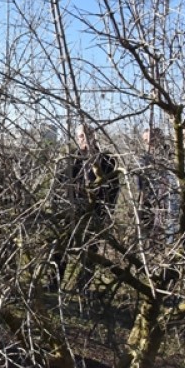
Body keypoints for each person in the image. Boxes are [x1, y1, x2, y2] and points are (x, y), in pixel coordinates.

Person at [52, 124, 120, 290]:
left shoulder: (106, 159)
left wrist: (106, 211)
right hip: (73, 209)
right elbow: (61, 180)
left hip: (96, 210)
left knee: (91, 248)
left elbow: (114, 187)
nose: (85, 139)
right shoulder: (73, 157)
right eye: (81, 136)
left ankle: (82, 285)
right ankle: (54, 281)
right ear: (77, 137)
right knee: (61, 243)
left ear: (95, 136)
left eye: (88, 135)